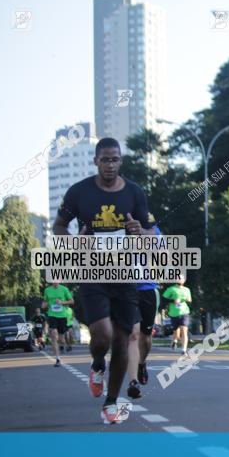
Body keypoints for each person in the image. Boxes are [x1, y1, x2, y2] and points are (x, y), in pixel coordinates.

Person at [53, 137, 150, 424]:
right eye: (105, 159)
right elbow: (59, 227)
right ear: (96, 161)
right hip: (93, 271)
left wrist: (138, 231)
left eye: (115, 159)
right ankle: (97, 365)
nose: (110, 164)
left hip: (124, 273)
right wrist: (75, 243)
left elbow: (149, 233)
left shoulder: (135, 193)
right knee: (103, 333)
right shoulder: (78, 192)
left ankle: (111, 401)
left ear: (121, 161)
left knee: (122, 341)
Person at [126, 222, 162, 399]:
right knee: (133, 333)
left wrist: (142, 232)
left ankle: (142, 362)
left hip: (148, 289)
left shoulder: (151, 227)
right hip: (126, 290)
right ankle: (133, 381)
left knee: (146, 338)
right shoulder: (117, 227)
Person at [42, 282, 74, 367]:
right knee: (53, 335)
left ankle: (62, 346)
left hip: (62, 316)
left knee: (61, 339)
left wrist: (62, 302)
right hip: (52, 315)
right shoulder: (47, 290)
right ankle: (58, 358)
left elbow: (71, 301)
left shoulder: (64, 289)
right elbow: (44, 302)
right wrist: (44, 305)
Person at [163, 275, 192, 354]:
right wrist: (173, 300)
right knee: (176, 331)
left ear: (183, 281)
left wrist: (185, 300)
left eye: (181, 278)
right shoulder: (171, 289)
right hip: (174, 313)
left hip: (184, 312)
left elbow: (190, 300)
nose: (179, 280)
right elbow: (164, 299)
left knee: (184, 329)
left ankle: (184, 350)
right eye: (177, 278)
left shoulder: (187, 290)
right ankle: (175, 341)